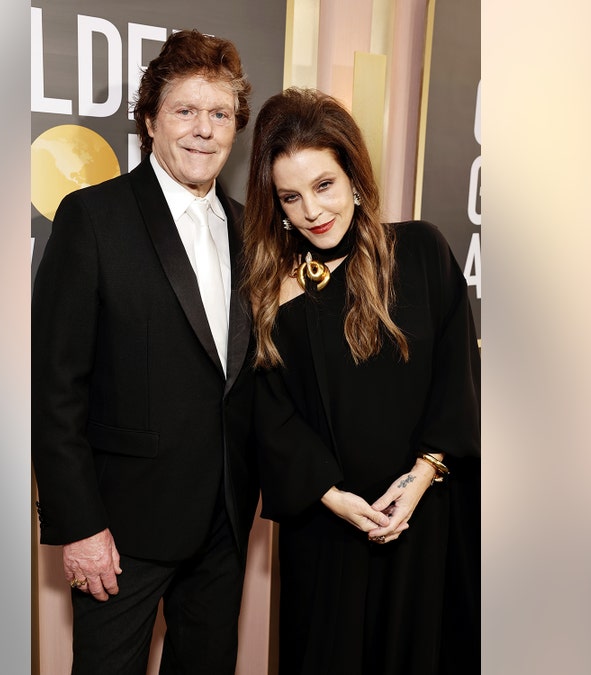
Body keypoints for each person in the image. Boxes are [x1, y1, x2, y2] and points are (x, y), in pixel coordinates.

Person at [32, 30, 259, 675]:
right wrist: (79, 526)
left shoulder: (251, 229)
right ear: (151, 120)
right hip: (120, 531)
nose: (203, 130)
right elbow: (54, 387)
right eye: (185, 111)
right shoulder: (92, 218)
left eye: (219, 114)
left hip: (225, 522)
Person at [242, 88, 481, 674]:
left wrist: (422, 479)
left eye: (323, 185)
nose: (311, 211)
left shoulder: (421, 252)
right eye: (290, 197)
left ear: (353, 175)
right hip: (327, 532)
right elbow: (268, 415)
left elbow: (459, 376)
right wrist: (334, 499)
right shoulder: (273, 293)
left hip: (424, 519)